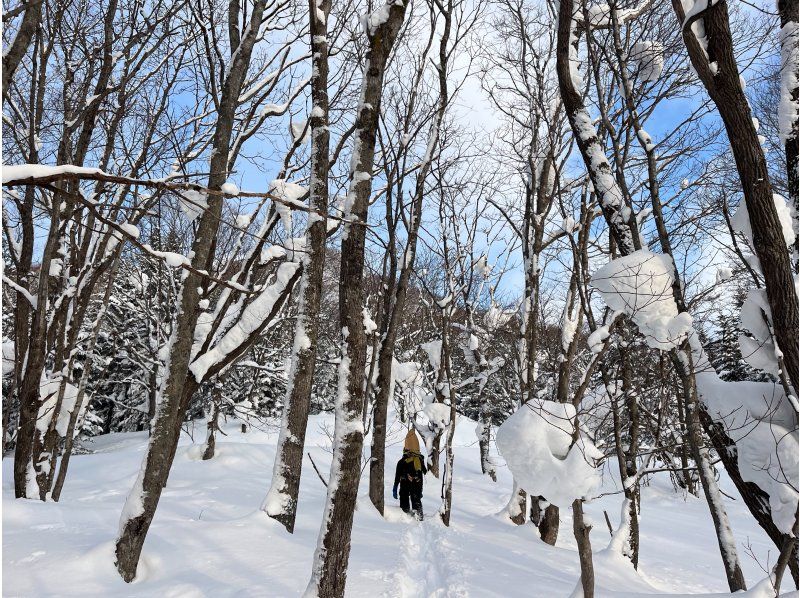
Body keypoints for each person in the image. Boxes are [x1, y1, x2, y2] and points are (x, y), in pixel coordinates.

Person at [392, 429, 426, 520]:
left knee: (408, 501)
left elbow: (397, 476)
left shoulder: (403, 461)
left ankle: (409, 517)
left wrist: (395, 487)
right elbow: (422, 474)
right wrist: (420, 489)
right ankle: (416, 517)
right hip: (413, 485)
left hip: (408, 485)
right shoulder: (419, 460)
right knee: (413, 500)